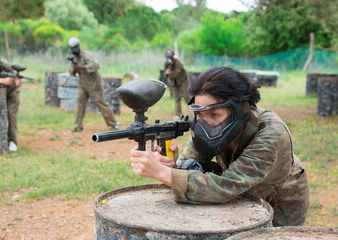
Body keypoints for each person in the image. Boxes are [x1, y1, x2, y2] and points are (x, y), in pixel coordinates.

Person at [130, 67, 310, 226]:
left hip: (280, 203)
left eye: (214, 114)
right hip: (240, 197)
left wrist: (162, 173)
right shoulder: (210, 126)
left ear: (238, 111)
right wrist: (172, 165)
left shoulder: (271, 134)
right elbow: (190, 165)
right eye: (199, 114)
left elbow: (225, 186)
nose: (205, 122)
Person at [67, 37, 119, 132]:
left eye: (75, 47)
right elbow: (71, 73)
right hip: (83, 85)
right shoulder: (74, 59)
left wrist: (81, 67)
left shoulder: (87, 55)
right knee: (79, 103)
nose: (73, 49)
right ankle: (78, 125)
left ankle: (114, 123)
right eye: (71, 48)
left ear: (78, 46)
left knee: (101, 103)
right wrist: (75, 67)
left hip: (94, 84)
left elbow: (96, 66)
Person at [164, 48, 191, 119]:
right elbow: (165, 72)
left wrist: (170, 73)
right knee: (176, 98)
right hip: (174, 81)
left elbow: (177, 72)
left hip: (183, 80)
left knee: (186, 96)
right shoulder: (167, 62)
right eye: (168, 53)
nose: (169, 55)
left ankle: (192, 112)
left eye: (170, 53)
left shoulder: (177, 61)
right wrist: (166, 73)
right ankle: (178, 114)